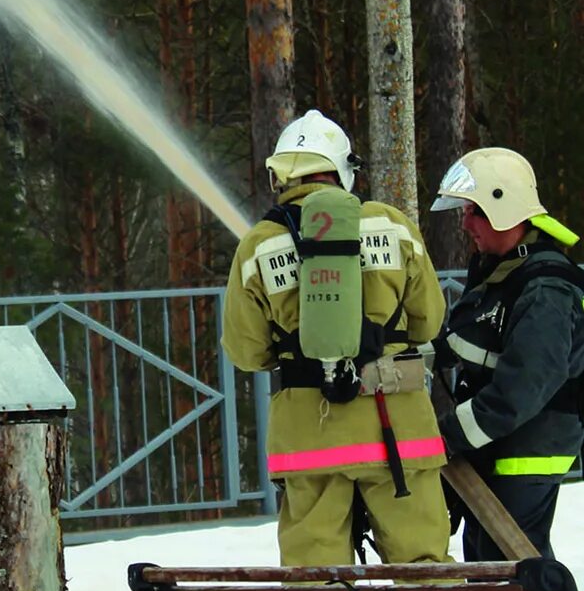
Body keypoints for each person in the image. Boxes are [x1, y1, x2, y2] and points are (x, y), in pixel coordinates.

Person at [222, 110, 449, 563]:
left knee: (317, 581)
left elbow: (246, 351)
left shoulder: (259, 244)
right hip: (399, 433)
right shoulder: (392, 224)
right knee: (426, 572)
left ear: (281, 174)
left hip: (309, 437)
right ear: (343, 168)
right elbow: (429, 323)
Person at [429, 148, 584, 558]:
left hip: (525, 454)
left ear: (504, 207)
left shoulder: (546, 288)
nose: (465, 224)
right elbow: (471, 342)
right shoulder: (504, 273)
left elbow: (525, 386)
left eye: (473, 212)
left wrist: (451, 433)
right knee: (492, 566)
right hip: (501, 447)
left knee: (515, 572)